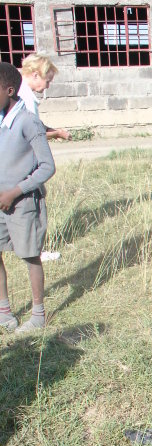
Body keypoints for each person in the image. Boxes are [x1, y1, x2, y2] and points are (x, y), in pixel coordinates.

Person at [0, 62, 56, 333]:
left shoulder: (27, 121)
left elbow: (47, 166)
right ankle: (4, 311)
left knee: (30, 256)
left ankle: (37, 315)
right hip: (1, 202)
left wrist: (15, 191)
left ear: (10, 90)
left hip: (22, 203)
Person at [19, 53, 72, 141]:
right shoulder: (27, 99)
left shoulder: (16, 89)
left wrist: (52, 131)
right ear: (35, 75)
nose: (47, 86)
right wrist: (57, 133)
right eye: (47, 81)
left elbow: (34, 125)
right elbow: (34, 133)